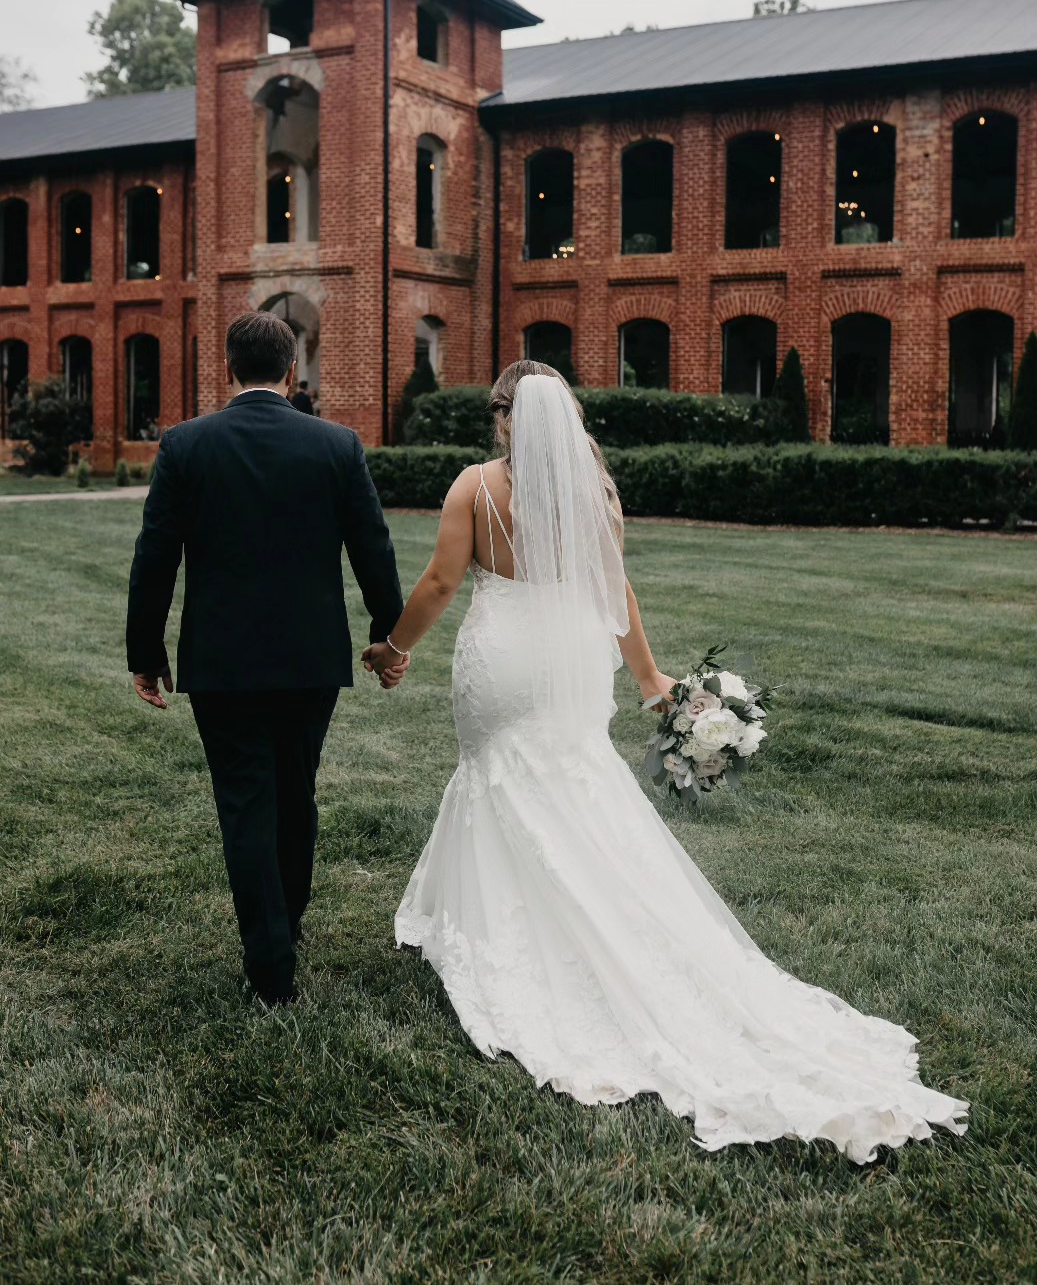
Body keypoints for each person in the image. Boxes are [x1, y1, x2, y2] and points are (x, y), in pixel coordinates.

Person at [364, 361, 968, 1163]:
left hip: (504, 660)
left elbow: (443, 581)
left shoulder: (474, 487)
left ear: (507, 416)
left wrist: (394, 647)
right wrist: (649, 679)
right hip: (575, 658)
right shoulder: (595, 491)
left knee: (499, 774)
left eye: (497, 414)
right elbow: (620, 594)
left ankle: (496, 924)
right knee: (574, 777)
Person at [126, 312, 405, 1006]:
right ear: (291, 370)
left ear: (229, 369)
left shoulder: (186, 445)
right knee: (294, 792)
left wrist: (145, 651)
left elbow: (154, 556)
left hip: (221, 663)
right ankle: (288, 927)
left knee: (247, 803)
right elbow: (373, 546)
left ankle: (270, 965)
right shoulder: (336, 445)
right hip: (311, 659)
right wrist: (387, 635)